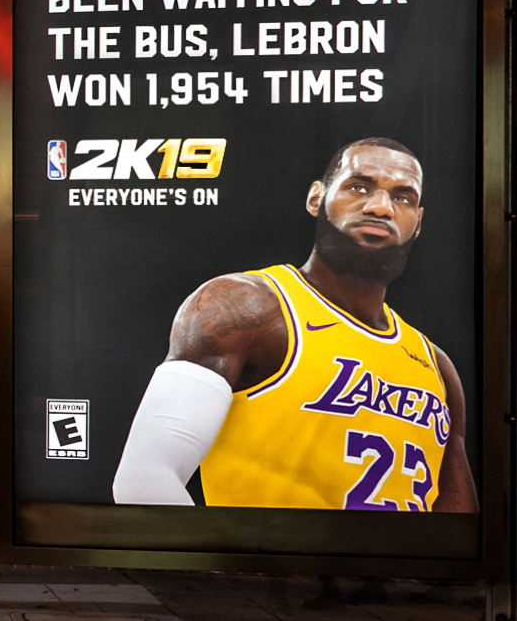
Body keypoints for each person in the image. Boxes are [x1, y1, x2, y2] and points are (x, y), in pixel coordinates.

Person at [112, 138, 472, 511]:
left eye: (403, 197)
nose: (381, 207)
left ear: (418, 223)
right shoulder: (247, 306)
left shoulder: (436, 366)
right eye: (358, 187)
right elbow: (144, 480)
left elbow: (462, 527)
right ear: (316, 198)